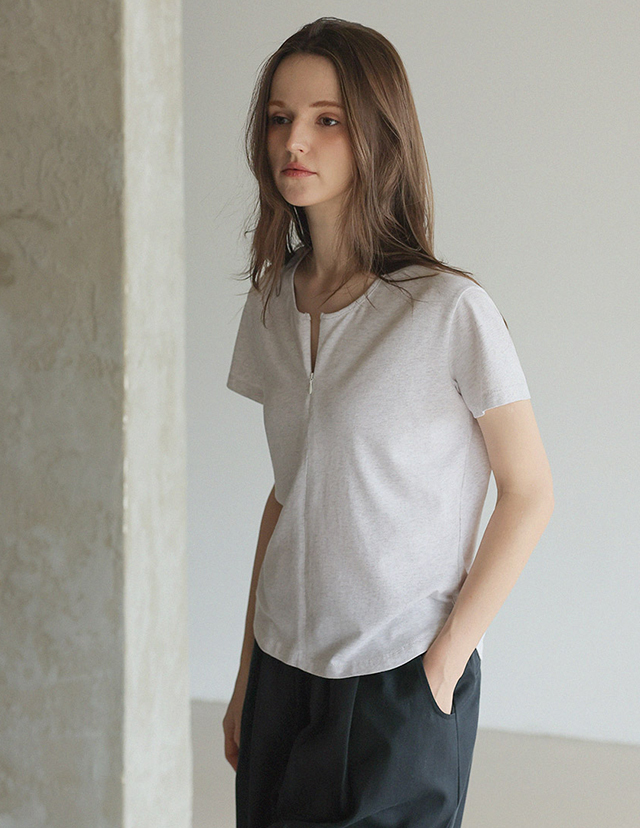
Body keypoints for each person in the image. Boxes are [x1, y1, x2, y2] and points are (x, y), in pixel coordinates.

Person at [223, 17, 554, 828]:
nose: (294, 140)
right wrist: (245, 679)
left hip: (397, 680)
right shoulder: (271, 301)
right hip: (281, 670)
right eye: (280, 117)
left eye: (327, 119)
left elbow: (529, 491)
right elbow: (287, 496)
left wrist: (445, 662)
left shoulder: (448, 309)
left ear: (378, 133)